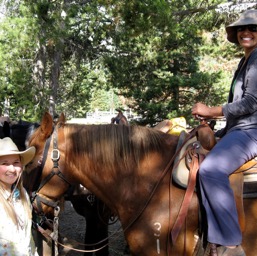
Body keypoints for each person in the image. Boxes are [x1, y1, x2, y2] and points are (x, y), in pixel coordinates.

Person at [192, 9, 257, 256]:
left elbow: (251, 103)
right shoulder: (246, 61)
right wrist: (218, 129)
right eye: (242, 28)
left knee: (211, 170)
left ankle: (231, 244)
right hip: (241, 127)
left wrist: (210, 110)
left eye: (253, 28)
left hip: (252, 131)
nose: (246, 32)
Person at [0, 137, 38, 256]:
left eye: (16, 162)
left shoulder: (23, 195)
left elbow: (28, 240)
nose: (12, 169)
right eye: (5, 163)